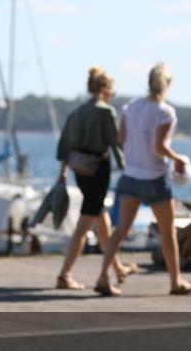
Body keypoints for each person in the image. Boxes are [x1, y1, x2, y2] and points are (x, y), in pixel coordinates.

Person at [94, 63, 191, 296]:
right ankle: (175, 281)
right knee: (167, 232)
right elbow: (160, 147)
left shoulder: (130, 108)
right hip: (154, 178)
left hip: (130, 176)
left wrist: (135, 150)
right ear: (167, 84)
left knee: (120, 230)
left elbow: (121, 139)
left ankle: (103, 276)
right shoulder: (165, 112)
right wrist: (178, 158)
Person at [54, 67, 134, 289]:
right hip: (98, 171)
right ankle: (65, 274)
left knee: (102, 219)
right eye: (113, 92)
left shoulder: (78, 112)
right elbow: (115, 144)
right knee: (85, 224)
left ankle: (118, 268)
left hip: (80, 171)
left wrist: (63, 173)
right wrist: (127, 167)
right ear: (105, 90)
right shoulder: (105, 112)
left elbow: (64, 146)